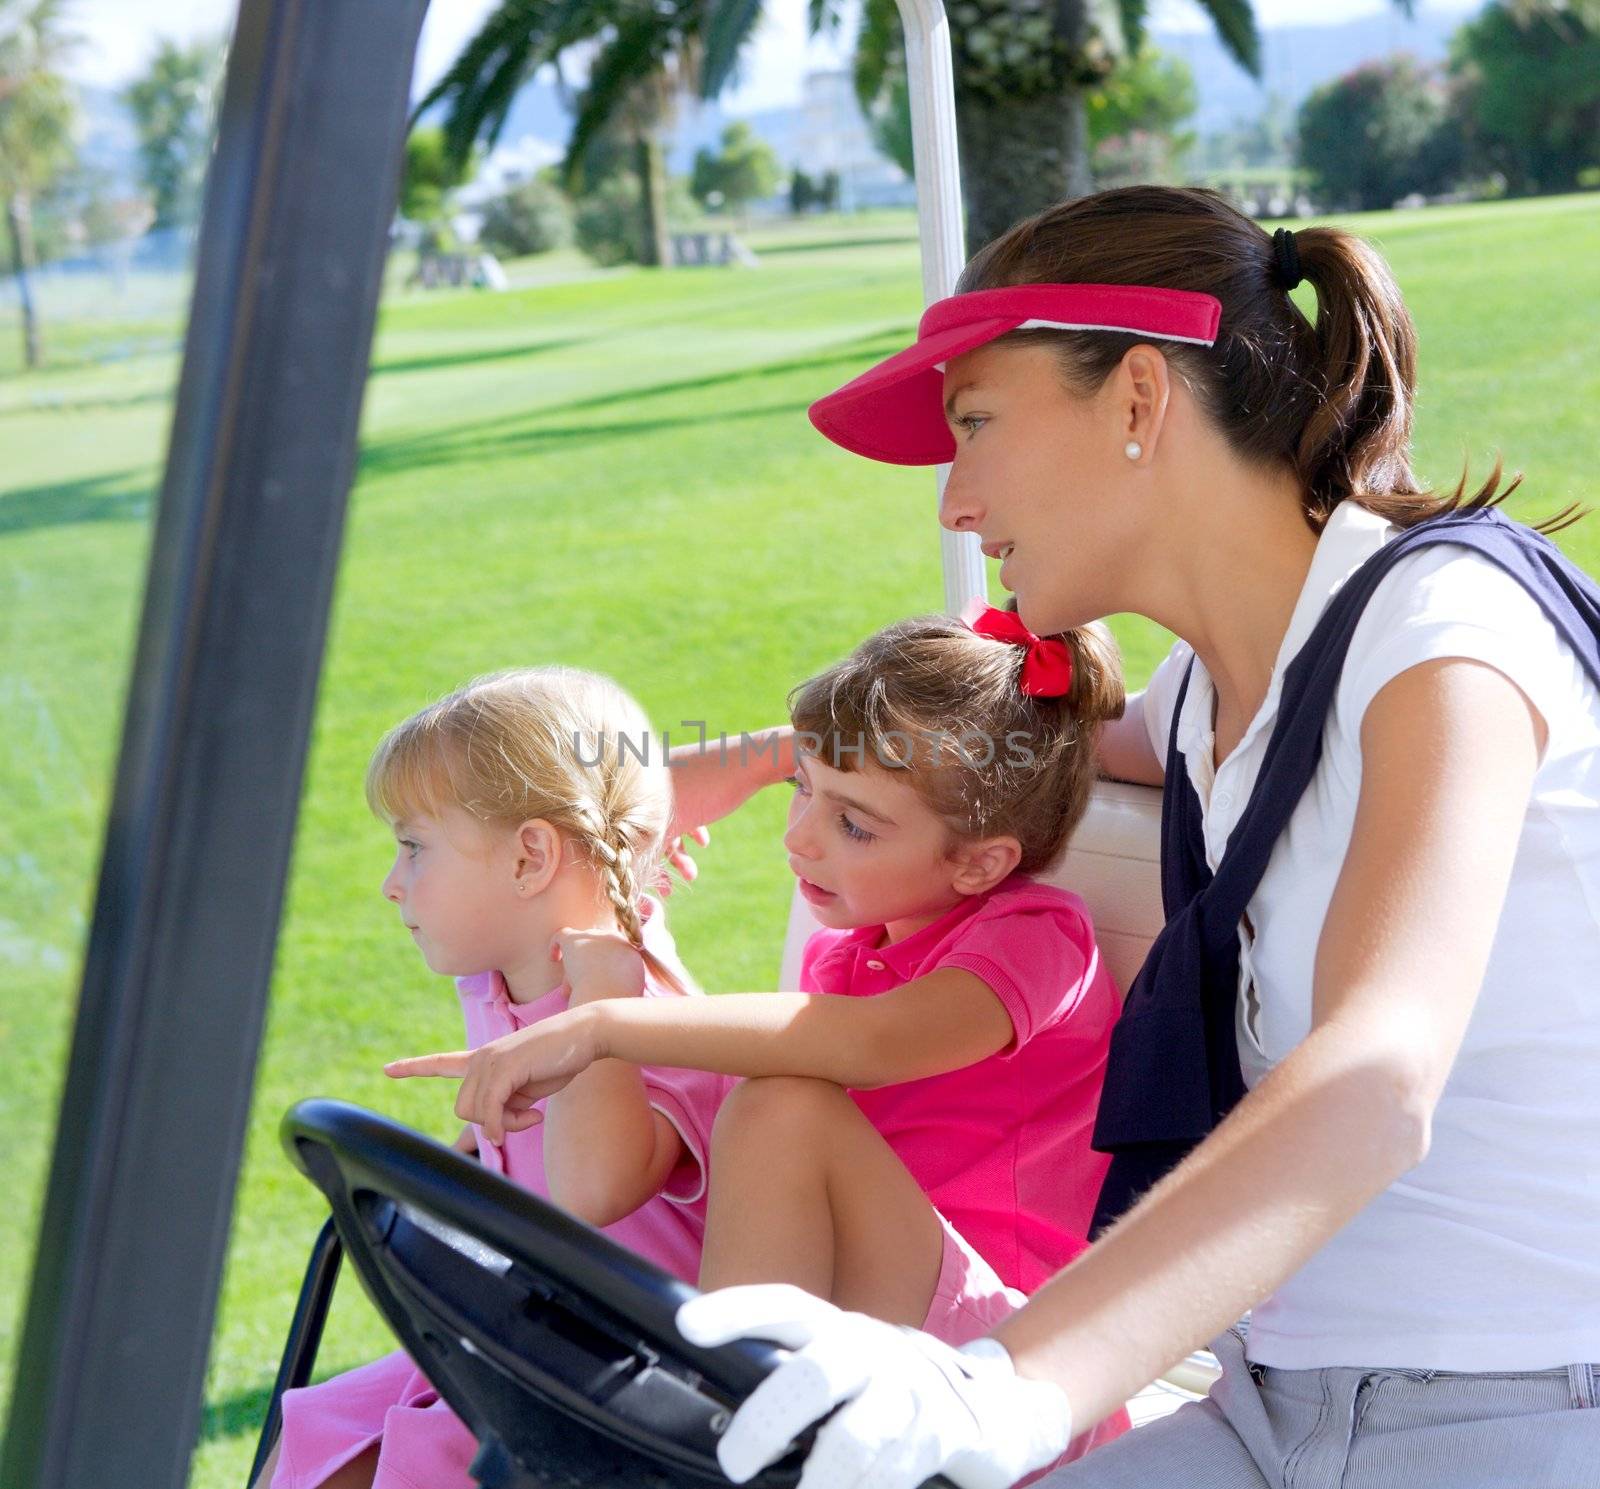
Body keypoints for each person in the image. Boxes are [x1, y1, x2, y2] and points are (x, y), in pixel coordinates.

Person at [650, 186, 1600, 1489]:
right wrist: (760, 762)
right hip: (1271, 1410)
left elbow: (1380, 1076)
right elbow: (981, 757)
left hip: (1517, 1419)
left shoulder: (1449, 640)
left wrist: (1008, 1383)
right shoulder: (1208, 693)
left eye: (975, 423)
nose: (956, 505)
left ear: (1141, 398)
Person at [389, 609, 1133, 1461]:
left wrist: (601, 1024)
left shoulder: (1036, 937)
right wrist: (816, 741)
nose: (799, 835)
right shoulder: (847, 953)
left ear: (978, 863)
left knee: (779, 1104)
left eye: (854, 823)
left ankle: (710, 1443)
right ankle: (722, 1431)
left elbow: (866, 1044)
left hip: (1005, 1360)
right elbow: (624, 812)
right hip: (874, 1317)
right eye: (801, 789)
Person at [258, 668, 729, 1489]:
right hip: (529, 1336)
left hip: (625, 1389)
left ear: (530, 857)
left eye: (413, 846)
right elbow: (505, 1158)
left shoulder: (644, 1014)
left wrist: (599, 1014)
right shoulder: (495, 980)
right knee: (320, 1438)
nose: (391, 882)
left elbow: (589, 1192)